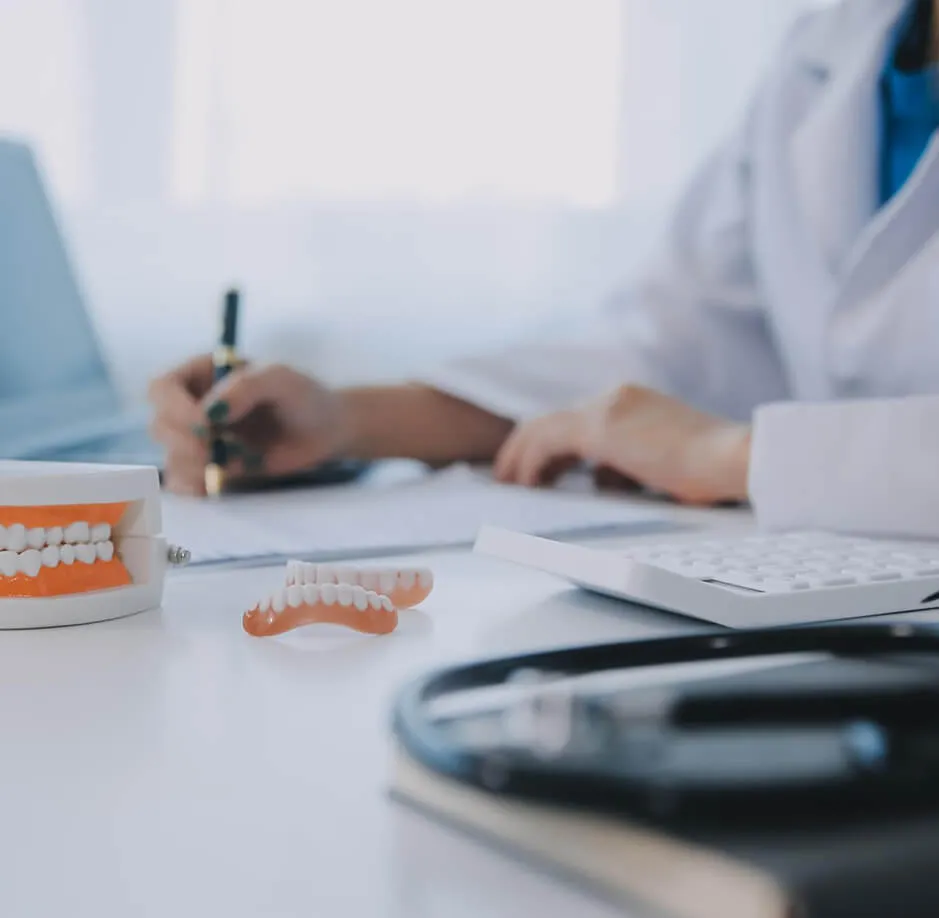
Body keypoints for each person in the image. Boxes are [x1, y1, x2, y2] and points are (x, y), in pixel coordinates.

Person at [149, 0, 939, 537]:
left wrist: (733, 457)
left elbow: (688, 429)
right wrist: (347, 422)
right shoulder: (825, 51)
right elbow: (663, 350)